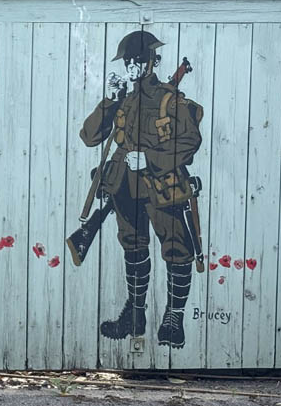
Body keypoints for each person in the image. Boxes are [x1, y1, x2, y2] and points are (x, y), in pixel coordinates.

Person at [79, 31, 203, 348]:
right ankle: (135, 314)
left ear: (153, 61)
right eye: (129, 61)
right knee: (133, 248)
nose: (133, 66)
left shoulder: (171, 99)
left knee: (176, 251)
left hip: (163, 187)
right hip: (125, 188)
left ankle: (173, 319)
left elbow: (190, 143)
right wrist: (110, 98)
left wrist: (149, 157)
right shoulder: (123, 100)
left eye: (138, 60)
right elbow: (90, 136)